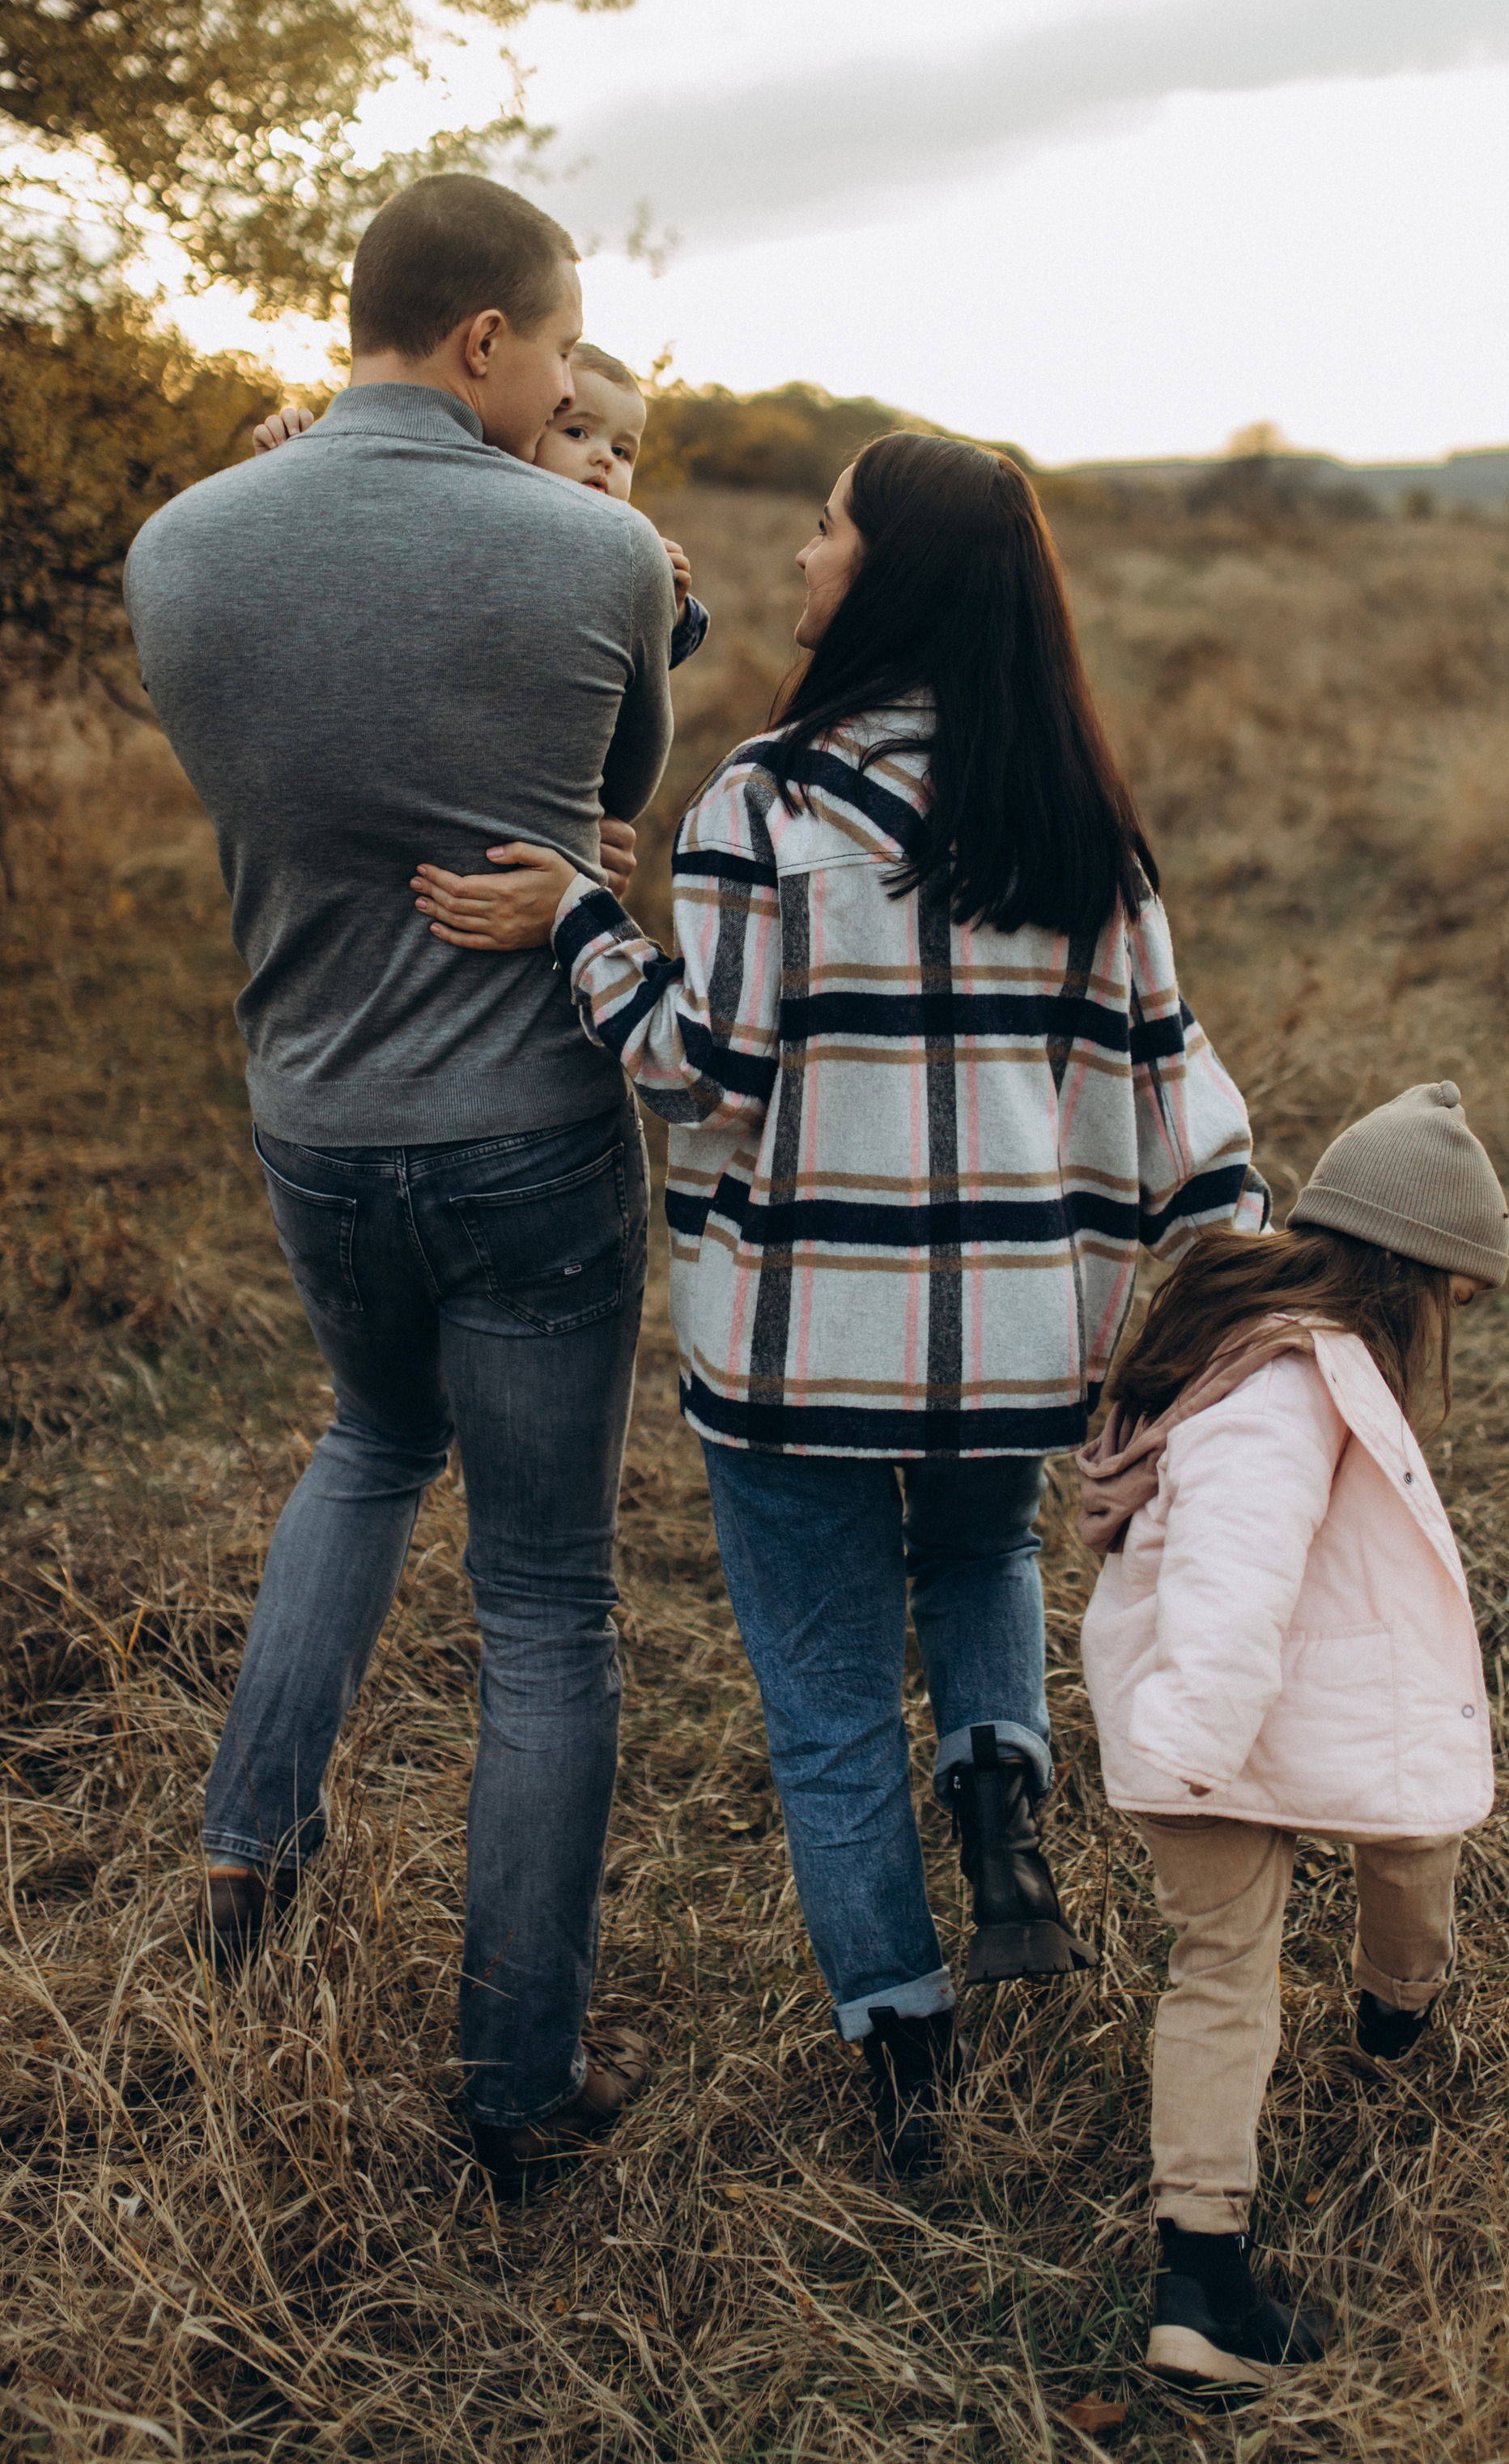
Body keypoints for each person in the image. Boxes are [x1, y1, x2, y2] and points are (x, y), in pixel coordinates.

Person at [409, 431, 1267, 2172]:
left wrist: (585, 922)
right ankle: (999, 1785)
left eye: (825, 533)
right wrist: (1224, 1272)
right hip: (1015, 1344)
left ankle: (904, 2064)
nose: (801, 560)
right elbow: (1158, 1079)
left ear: (883, 577)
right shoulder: (1075, 814)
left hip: (800, 1351)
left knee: (819, 1713)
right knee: (976, 1552)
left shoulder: (764, 804)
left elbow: (698, 1077)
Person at [123, 172, 677, 2199]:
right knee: (545, 1599)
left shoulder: (175, 549)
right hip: (525, 1125)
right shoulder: (598, 549)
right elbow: (623, 805)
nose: (557, 390)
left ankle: (243, 1836)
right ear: (483, 343)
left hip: (313, 1125)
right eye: (552, 352)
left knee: (366, 1445)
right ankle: (516, 2076)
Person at [1076, 1083, 1507, 2398]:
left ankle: (1396, 1996)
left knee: (1406, 1824)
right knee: (1229, 1966)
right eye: (1455, 1300)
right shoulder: (1284, 1385)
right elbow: (1235, 1572)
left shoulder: (1287, 1349)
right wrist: (1199, 1741)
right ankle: (1200, 2284)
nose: (1453, 1329)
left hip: (1255, 1699)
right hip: (1212, 1716)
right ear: (1409, 1277)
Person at [255, 338, 710, 669]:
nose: (604, 459)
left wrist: (666, 611)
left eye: (623, 451)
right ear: (531, 430)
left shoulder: (622, 545)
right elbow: (361, 542)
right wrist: (296, 466)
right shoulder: (471, 505)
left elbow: (640, 665)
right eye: (576, 432)